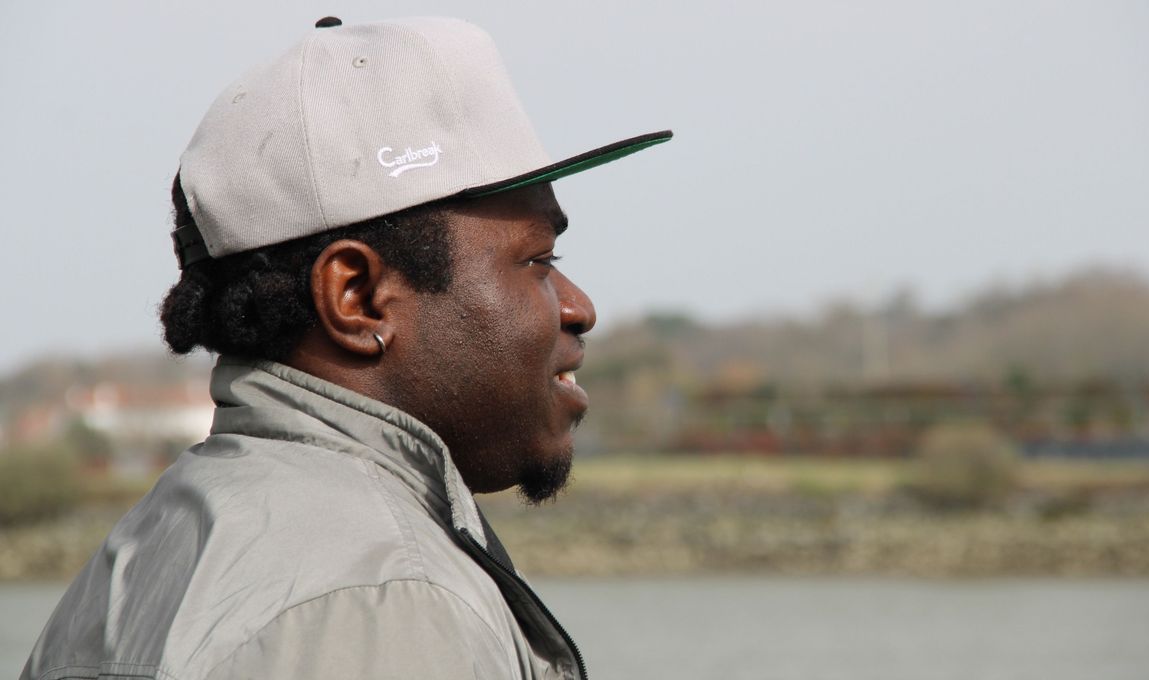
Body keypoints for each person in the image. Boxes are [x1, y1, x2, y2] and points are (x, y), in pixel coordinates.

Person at [22, 16, 670, 680]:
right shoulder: (386, 603)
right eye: (538, 261)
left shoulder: (136, 559)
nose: (578, 308)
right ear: (357, 297)